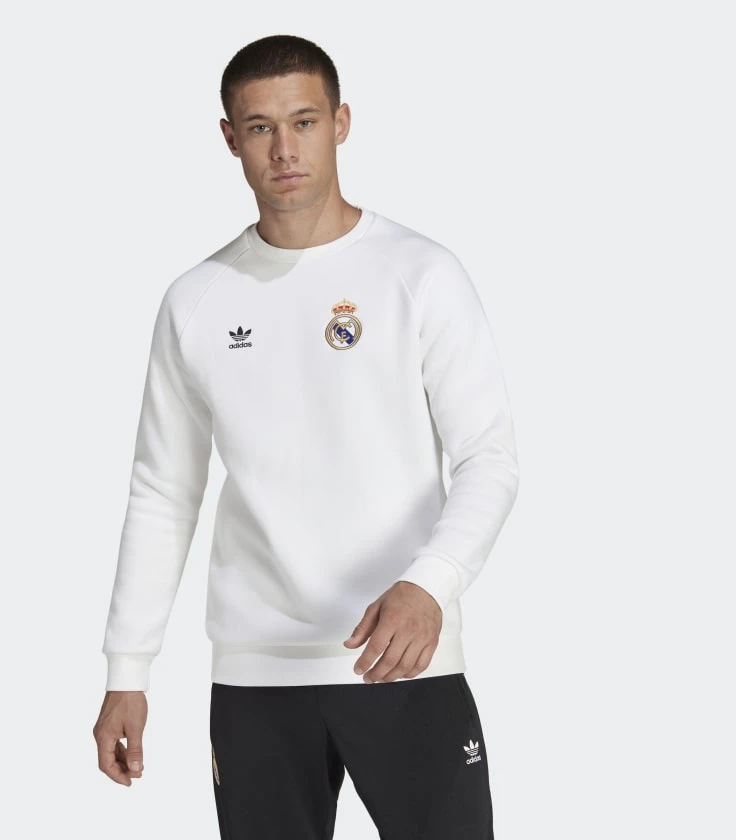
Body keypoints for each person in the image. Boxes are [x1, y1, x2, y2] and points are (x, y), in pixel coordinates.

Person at [92, 33, 519, 840]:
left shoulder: (420, 273)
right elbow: (163, 491)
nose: (284, 149)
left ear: (341, 123)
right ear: (231, 138)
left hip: (406, 662)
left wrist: (430, 585)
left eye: (304, 122)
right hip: (257, 677)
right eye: (260, 128)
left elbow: (488, 458)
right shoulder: (197, 299)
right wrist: (128, 669)